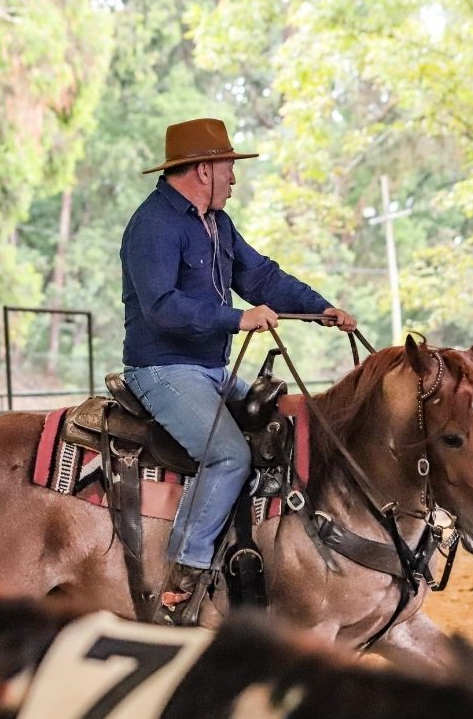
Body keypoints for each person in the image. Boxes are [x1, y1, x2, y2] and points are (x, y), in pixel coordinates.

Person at [120, 117, 357, 624]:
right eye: (229, 166)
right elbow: (160, 306)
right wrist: (236, 316)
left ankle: (259, 555)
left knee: (284, 429)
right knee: (227, 455)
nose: (234, 177)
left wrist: (322, 309)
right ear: (204, 170)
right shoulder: (153, 225)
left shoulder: (217, 224)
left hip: (208, 368)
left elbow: (260, 275)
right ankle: (182, 574)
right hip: (163, 368)